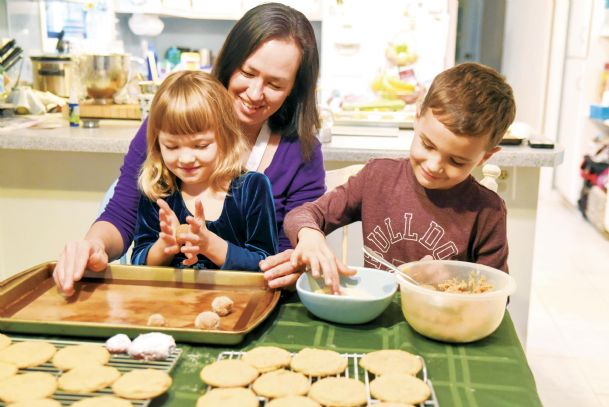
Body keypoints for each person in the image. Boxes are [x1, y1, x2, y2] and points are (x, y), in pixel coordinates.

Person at [53, 3, 325, 295]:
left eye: (274, 84)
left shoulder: (301, 154)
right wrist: (93, 245)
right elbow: (123, 214)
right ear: (231, 62)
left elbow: (279, 260)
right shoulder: (170, 122)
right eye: (247, 72)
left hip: (252, 301)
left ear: (294, 90)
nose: (255, 93)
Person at [262, 62, 516, 293]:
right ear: (417, 118)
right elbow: (302, 215)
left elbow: (497, 295)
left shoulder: (488, 211)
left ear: (485, 157)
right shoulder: (378, 178)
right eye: (427, 145)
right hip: (375, 315)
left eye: (457, 161)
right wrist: (310, 236)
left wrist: (451, 278)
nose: (435, 165)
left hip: (441, 322)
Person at [130, 71, 277, 270]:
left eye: (200, 146)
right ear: (158, 145)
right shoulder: (159, 191)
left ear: (225, 139)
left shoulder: (252, 188)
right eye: (172, 147)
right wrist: (165, 246)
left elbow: (266, 263)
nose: (186, 159)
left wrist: (209, 245)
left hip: (237, 299)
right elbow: (139, 260)